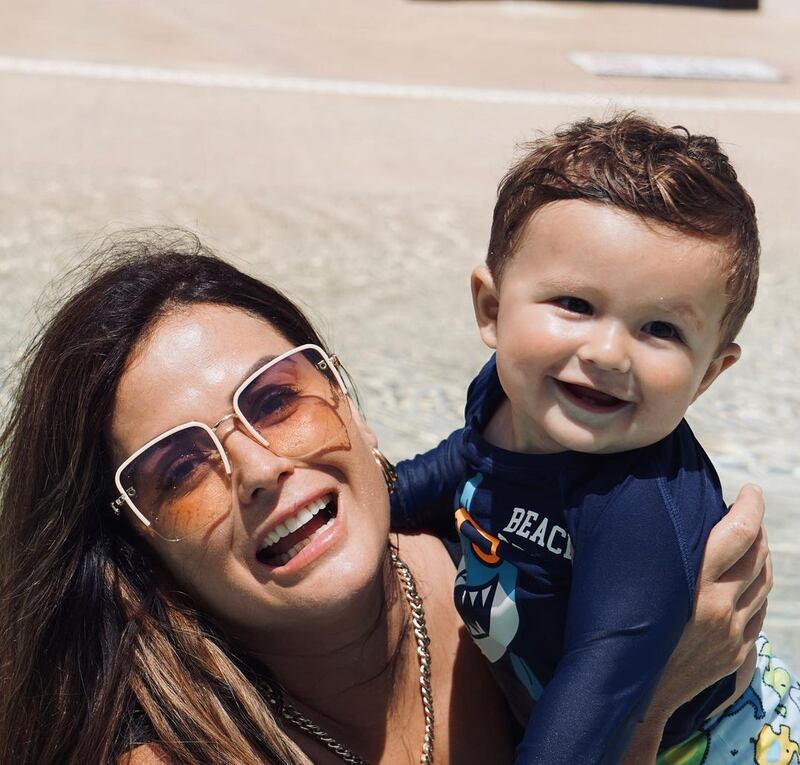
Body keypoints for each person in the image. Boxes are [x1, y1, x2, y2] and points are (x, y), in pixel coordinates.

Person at [0, 231, 771, 765]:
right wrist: (652, 705)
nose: (259, 468)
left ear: (349, 400)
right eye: (178, 468)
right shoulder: (176, 749)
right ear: (137, 543)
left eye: (275, 399)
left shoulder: (486, 560)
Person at [391, 114, 797, 764]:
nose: (607, 352)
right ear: (492, 310)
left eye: (660, 329)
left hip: (707, 746)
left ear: (708, 375)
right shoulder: (507, 393)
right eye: (575, 305)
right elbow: (462, 463)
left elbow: (593, 711)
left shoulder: (637, 513)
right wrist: (370, 500)